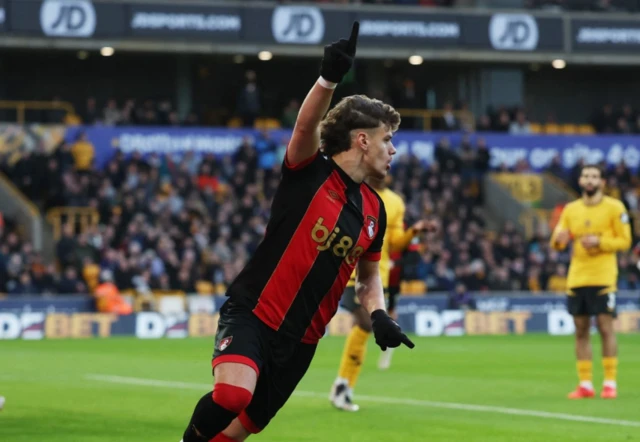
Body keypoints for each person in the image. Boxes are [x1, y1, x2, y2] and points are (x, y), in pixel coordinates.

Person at [181, 22, 414, 442]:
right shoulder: (309, 174)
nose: (393, 150)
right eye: (388, 139)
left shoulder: (375, 210)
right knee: (233, 395)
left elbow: (369, 275)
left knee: (235, 433)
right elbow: (305, 131)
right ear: (362, 140)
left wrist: (379, 315)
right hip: (255, 312)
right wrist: (328, 78)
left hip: (302, 341)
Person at [329, 175, 436, 411]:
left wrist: (414, 232)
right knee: (366, 325)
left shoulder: (396, 202)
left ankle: (343, 385)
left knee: (364, 329)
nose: (386, 171)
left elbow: (396, 243)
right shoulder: (354, 193)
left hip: (378, 277)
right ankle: (342, 386)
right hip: (350, 272)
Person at [550, 164, 631, 400]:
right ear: (581, 181)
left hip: (604, 277)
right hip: (577, 277)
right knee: (581, 330)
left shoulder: (615, 208)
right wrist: (559, 240)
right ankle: (585, 384)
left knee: (606, 327)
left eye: (594, 176)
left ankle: (610, 382)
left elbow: (625, 241)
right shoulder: (570, 209)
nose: (589, 180)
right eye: (586, 176)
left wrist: (600, 241)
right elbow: (557, 239)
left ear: (602, 183)